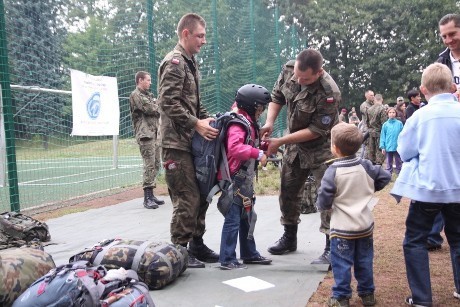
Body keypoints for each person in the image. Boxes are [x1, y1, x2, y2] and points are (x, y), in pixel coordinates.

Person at [260, 48, 341, 265]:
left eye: (304, 79)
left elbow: (316, 130)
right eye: (297, 75)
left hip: (321, 147)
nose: (298, 79)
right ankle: (289, 236)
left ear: (319, 73)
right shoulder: (290, 70)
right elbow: (277, 96)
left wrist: (280, 141)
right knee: (287, 189)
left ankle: (331, 246)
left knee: (327, 194)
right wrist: (269, 123)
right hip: (294, 145)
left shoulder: (329, 92)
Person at [391, 63, 460, 306]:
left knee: (415, 240)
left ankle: (421, 298)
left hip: (427, 189)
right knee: (459, 240)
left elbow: (405, 150)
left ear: (423, 90)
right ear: (453, 87)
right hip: (458, 189)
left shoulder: (419, 116)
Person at [157, 13, 219, 268]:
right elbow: (166, 102)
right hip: (175, 144)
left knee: (202, 195)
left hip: (190, 142)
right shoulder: (174, 63)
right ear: (186, 34)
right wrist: (196, 123)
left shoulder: (190, 62)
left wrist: (210, 120)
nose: (204, 41)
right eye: (200, 35)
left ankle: (197, 244)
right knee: (188, 197)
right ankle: (179, 250)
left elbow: (193, 103)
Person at [316, 122, 390, 307]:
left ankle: (341, 296)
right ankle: (367, 294)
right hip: (364, 225)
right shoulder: (365, 165)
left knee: (341, 263)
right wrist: (370, 188)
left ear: (334, 148)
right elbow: (385, 177)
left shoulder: (332, 171)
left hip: (342, 228)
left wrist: (324, 206)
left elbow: (324, 197)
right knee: (364, 260)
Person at [218, 84, 272, 270]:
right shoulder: (238, 123)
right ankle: (227, 258)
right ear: (250, 106)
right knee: (233, 219)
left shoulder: (248, 122)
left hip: (245, 179)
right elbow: (235, 148)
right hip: (235, 179)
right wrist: (257, 153)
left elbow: (248, 143)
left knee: (247, 217)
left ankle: (249, 253)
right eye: (260, 108)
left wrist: (263, 146)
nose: (262, 111)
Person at [129, 71, 165, 209]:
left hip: (154, 134)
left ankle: (151, 195)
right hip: (145, 135)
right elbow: (150, 109)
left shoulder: (148, 95)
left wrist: (157, 105)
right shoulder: (135, 95)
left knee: (156, 164)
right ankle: (147, 197)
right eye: (148, 80)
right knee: (149, 164)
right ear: (140, 80)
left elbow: (156, 108)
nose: (150, 82)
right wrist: (158, 106)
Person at [379, 107, 403, 177]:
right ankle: (388, 174)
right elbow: (383, 136)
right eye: (390, 112)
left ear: (396, 114)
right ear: (387, 114)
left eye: (393, 112)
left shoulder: (399, 124)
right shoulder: (385, 125)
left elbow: (403, 134)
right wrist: (382, 146)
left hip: (397, 146)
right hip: (388, 146)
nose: (392, 114)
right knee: (389, 161)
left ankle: (399, 172)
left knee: (398, 160)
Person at [365, 94, 387, 165]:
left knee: (371, 151)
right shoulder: (382, 109)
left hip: (371, 133)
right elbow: (384, 123)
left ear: (374, 100)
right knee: (380, 151)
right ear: (382, 99)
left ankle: (371, 167)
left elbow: (367, 122)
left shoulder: (369, 109)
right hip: (380, 133)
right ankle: (378, 167)